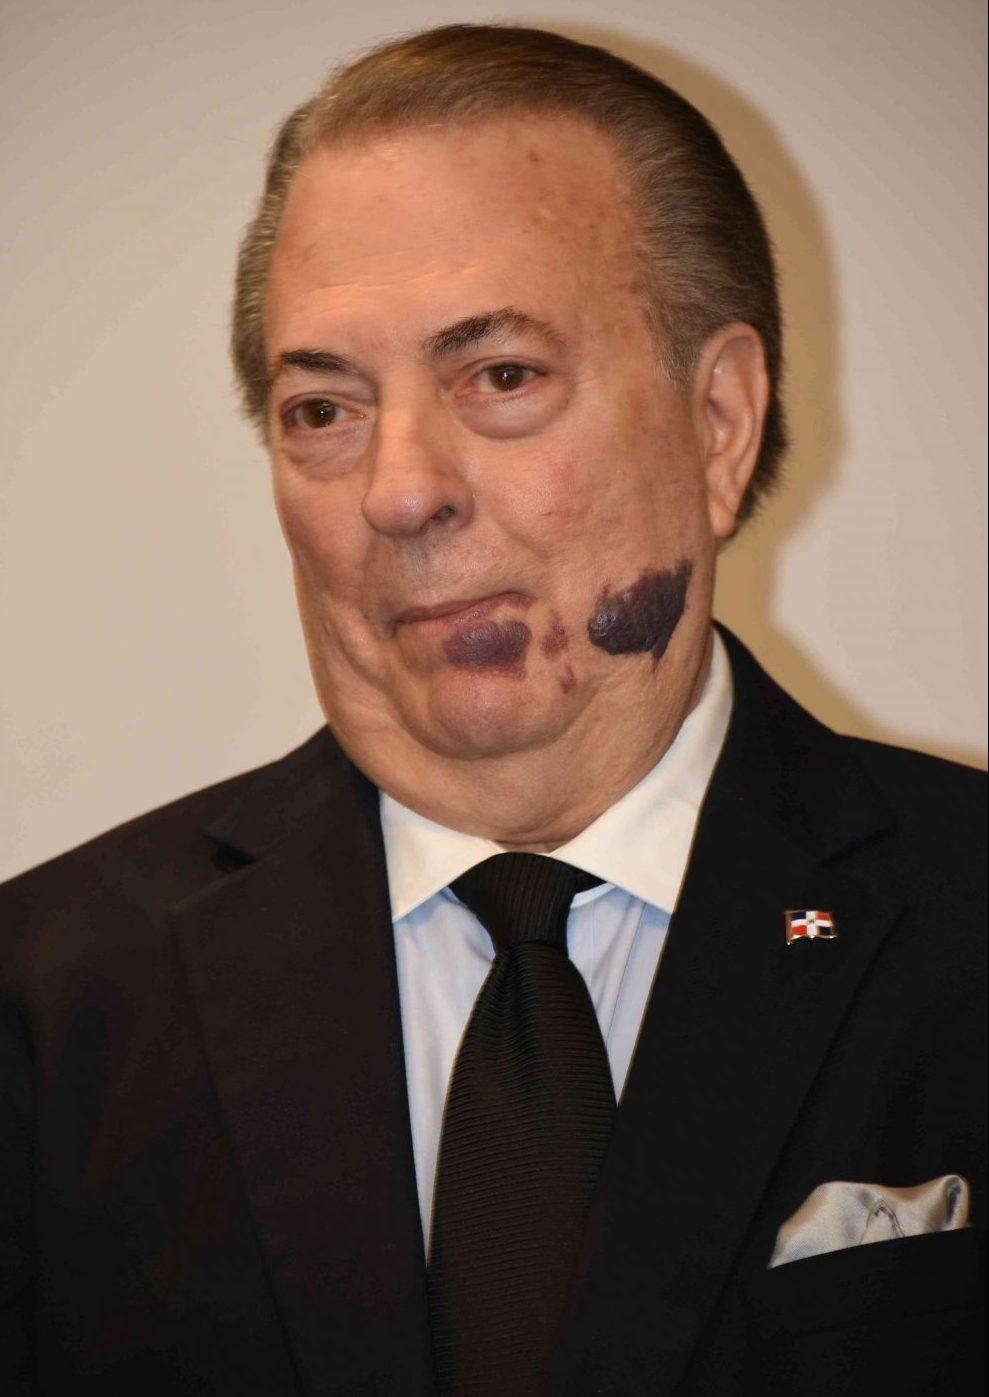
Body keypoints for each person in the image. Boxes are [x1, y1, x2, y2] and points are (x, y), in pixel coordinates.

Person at [0, 23, 983, 1397]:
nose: (400, 490)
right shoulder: (50, 1008)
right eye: (323, 408)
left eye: (501, 376)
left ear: (718, 421)